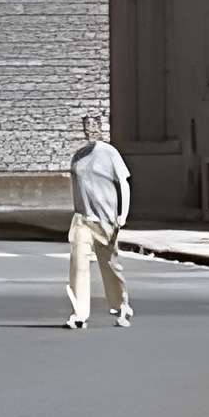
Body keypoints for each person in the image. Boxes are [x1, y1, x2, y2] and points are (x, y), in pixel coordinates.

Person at [66, 117, 132, 329]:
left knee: (110, 265)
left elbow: (124, 183)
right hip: (82, 219)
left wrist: (123, 214)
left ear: (101, 128)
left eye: (94, 126)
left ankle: (120, 304)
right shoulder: (78, 156)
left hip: (105, 219)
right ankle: (79, 313)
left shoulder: (109, 153)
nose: (90, 131)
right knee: (79, 263)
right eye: (87, 127)